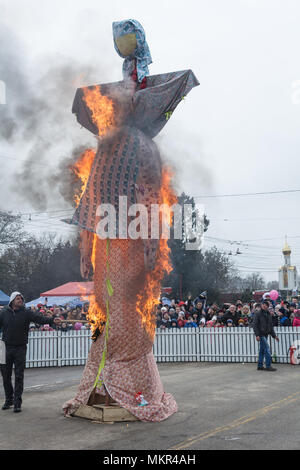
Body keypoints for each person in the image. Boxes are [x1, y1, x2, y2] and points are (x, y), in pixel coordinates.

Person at [0, 292, 60, 412]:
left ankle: (17, 403)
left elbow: (40, 319)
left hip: (20, 347)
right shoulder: (3, 313)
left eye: (21, 298)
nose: (20, 300)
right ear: (12, 301)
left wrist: (52, 320)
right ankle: (9, 400)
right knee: (5, 376)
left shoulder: (26, 312)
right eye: (17, 299)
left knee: (18, 376)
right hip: (5, 347)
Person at [253, 300, 279, 372]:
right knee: (267, 349)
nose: (265, 306)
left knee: (262, 350)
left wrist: (274, 336)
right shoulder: (257, 313)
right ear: (261, 305)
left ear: (268, 306)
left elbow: (270, 326)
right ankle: (268, 366)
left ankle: (260, 365)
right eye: (263, 304)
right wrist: (257, 335)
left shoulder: (268, 314)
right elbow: (254, 325)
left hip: (266, 334)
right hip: (261, 334)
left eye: (266, 305)